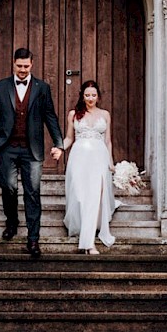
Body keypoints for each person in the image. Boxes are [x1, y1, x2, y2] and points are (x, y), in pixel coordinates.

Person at [0, 46, 63, 259]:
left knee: (32, 193)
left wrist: (58, 143)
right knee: (9, 188)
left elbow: (51, 116)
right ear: (13, 64)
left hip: (32, 150)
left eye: (26, 66)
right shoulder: (1, 87)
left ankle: (33, 239)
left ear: (32, 65)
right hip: (6, 148)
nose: (22, 70)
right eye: (19, 66)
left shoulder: (42, 88)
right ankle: (12, 221)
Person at [61, 79, 116, 254]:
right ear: (82, 96)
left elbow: (108, 141)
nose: (90, 98)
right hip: (79, 157)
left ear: (98, 96)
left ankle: (88, 243)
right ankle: (84, 227)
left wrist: (111, 162)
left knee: (94, 196)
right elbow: (70, 138)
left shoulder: (105, 114)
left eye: (93, 95)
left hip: (99, 157)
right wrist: (59, 148)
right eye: (87, 95)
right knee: (80, 195)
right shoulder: (73, 114)